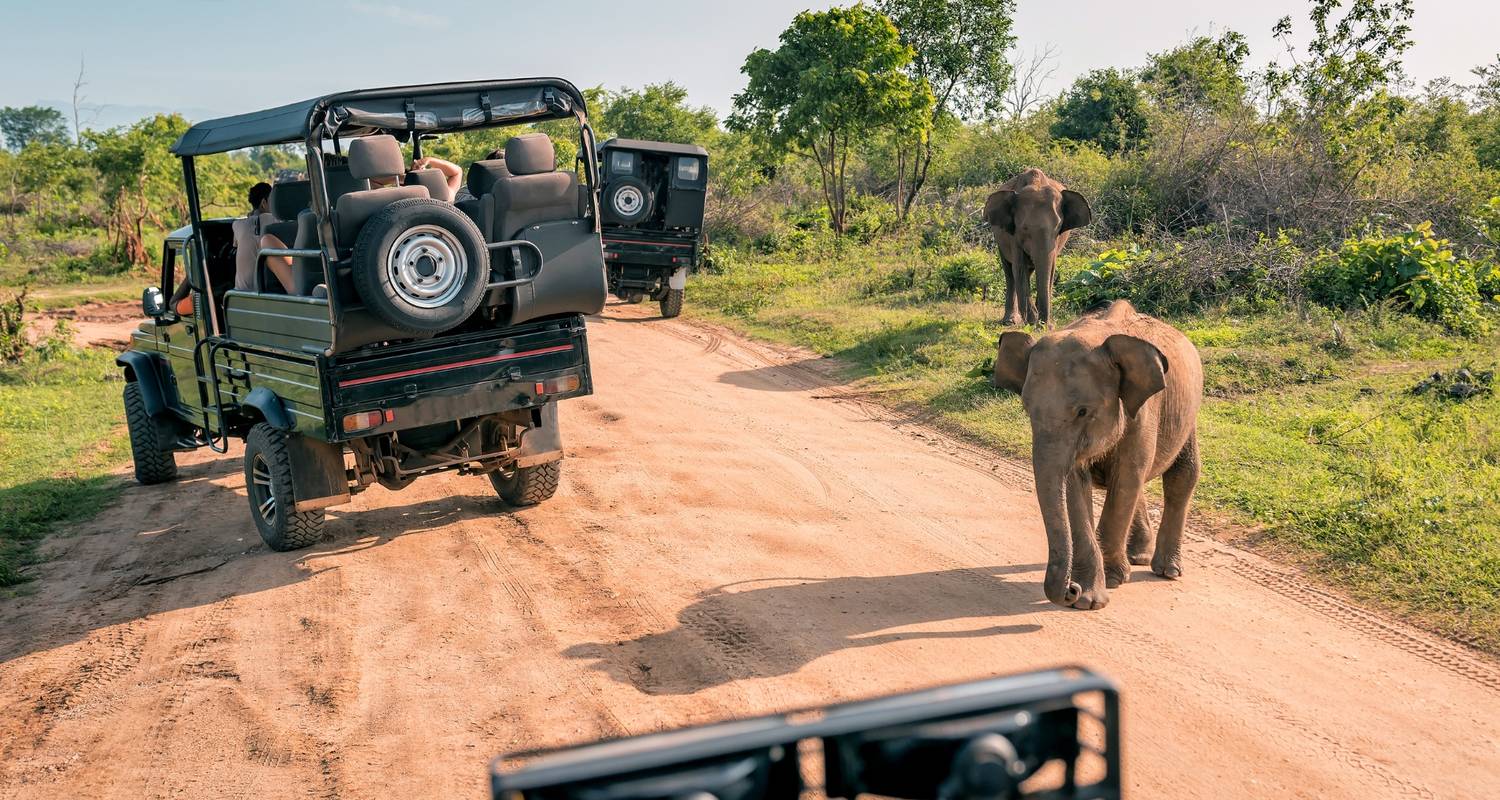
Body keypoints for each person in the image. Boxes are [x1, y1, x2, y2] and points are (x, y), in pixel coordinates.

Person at [231, 182, 286, 292]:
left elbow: (237, 245)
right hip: (271, 291)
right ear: (264, 203)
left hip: (242, 292)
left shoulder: (237, 225)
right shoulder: (278, 222)